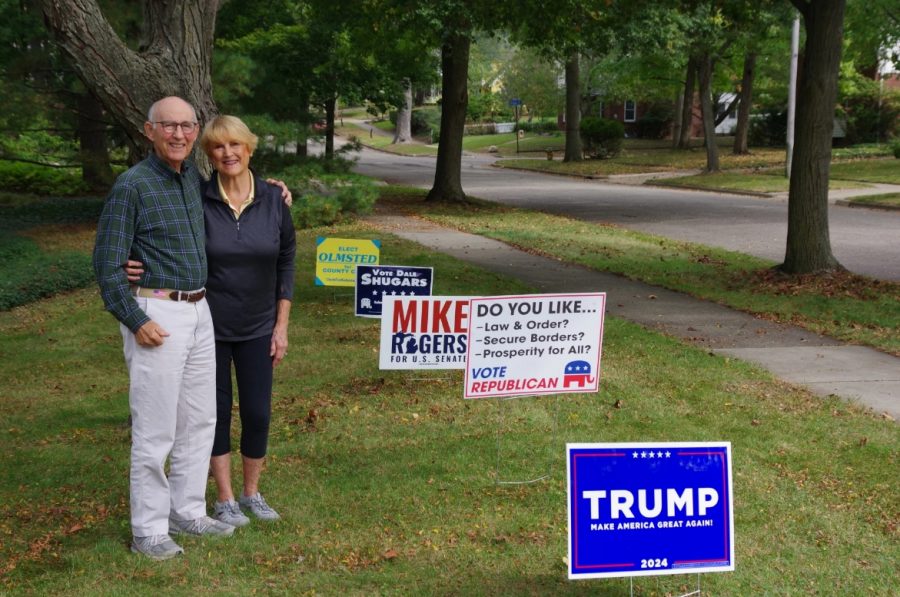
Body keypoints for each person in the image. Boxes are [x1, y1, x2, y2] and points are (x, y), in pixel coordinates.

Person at [126, 115, 296, 528]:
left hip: (258, 326)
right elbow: (163, 237)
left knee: (257, 413)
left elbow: (287, 262)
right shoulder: (197, 199)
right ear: (210, 155)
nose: (228, 153)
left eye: (235, 145)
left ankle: (251, 493)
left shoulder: (275, 200)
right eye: (218, 147)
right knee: (213, 414)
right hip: (208, 327)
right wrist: (135, 263)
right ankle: (223, 499)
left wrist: (281, 325)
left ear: (249, 148)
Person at [93, 97, 233, 561]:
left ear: (196, 131)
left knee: (200, 419)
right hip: (157, 313)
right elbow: (108, 265)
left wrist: (276, 189)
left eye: (186, 126)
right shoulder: (131, 186)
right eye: (168, 126)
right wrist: (136, 320)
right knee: (155, 430)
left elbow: (240, 192)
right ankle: (148, 529)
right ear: (149, 131)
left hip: (199, 309)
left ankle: (187, 510)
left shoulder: (193, 179)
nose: (178, 134)